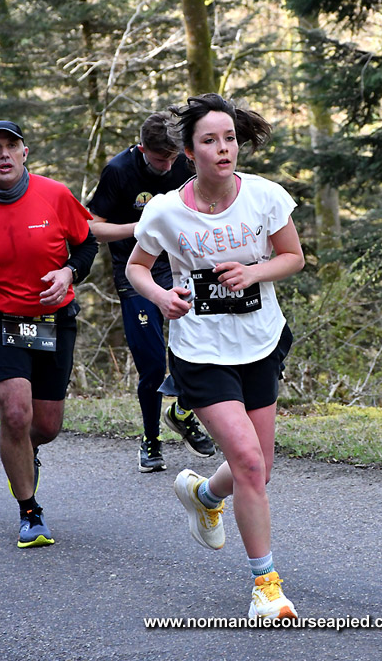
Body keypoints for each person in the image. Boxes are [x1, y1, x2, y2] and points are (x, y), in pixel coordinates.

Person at [126, 93, 305, 619]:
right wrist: (160, 297)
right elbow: (137, 267)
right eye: (210, 140)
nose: (223, 148)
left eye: (229, 138)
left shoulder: (265, 197)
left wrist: (254, 271)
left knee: (259, 470)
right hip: (201, 351)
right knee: (247, 460)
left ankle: (204, 496)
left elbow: (293, 256)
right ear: (189, 151)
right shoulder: (165, 211)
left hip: (261, 342)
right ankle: (266, 587)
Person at [0, 120, 97, 548]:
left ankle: (22, 452)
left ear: (25, 152)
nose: (3, 154)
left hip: (52, 319)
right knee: (16, 413)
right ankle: (29, 511)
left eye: (11, 145)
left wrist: (68, 273)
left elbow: (87, 245)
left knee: (45, 425)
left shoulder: (55, 195)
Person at [87, 113, 214, 472]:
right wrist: (142, 227)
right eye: (160, 159)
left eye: (173, 158)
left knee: (205, 348)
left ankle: (182, 411)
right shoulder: (119, 171)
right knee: (153, 364)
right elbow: (91, 227)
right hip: (135, 272)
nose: (168, 166)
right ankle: (150, 439)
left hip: (179, 268)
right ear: (142, 150)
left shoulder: (184, 163)